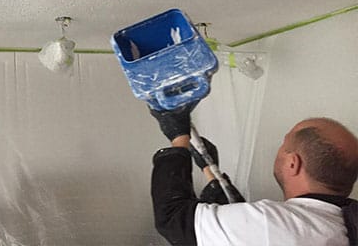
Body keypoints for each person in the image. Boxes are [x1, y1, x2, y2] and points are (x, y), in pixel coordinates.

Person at [149, 105, 358, 246]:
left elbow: (174, 218)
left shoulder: (278, 225)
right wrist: (209, 171)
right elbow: (245, 232)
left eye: (284, 143)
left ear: (293, 163)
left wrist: (179, 140)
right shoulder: (339, 224)